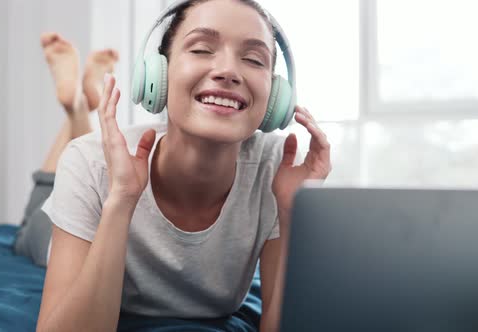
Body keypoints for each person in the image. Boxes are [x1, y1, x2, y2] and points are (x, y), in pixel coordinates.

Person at [36, 1, 332, 331]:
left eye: (252, 59)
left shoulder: (278, 171)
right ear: (158, 73)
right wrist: (120, 198)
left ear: (276, 96)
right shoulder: (90, 162)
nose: (228, 71)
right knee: (32, 227)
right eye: (203, 49)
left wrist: (294, 214)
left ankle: (79, 108)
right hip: (66, 207)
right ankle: (77, 111)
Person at [13, 32, 119, 266]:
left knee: (34, 215)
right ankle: (78, 106)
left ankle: (78, 107)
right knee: (44, 194)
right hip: (70, 218)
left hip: (55, 222)